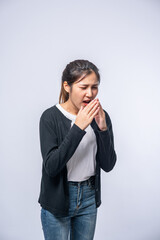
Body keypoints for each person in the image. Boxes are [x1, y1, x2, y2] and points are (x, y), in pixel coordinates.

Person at [38, 59, 117, 240]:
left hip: (89, 197)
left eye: (94, 87)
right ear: (67, 86)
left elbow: (108, 164)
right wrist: (78, 128)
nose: (90, 93)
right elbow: (51, 166)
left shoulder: (100, 117)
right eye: (83, 87)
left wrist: (103, 129)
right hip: (58, 200)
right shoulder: (50, 117)